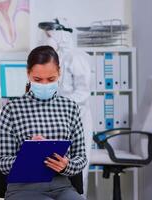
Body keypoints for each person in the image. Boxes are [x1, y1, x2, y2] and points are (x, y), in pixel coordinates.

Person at [0, 45, 87, 200]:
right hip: (23, 189)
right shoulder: (11, 110)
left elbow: (81, 157)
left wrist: (66, 165)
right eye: (38, 79)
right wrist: (28, 154)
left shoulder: (70, 108)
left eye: (51, 79)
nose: (44, 84)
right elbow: (3, 163)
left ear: (59, 73)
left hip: (62, 186)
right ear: (28, 74)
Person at [39, 18, 93, 194]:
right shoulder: (55, 59)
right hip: (60, 121)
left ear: (62, 34)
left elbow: (83, 93)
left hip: (78, 119)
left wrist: (59, 105)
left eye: (50, 33)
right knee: (58, 167)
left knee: (77, 172)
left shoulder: (77, 57)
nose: (47, 37)